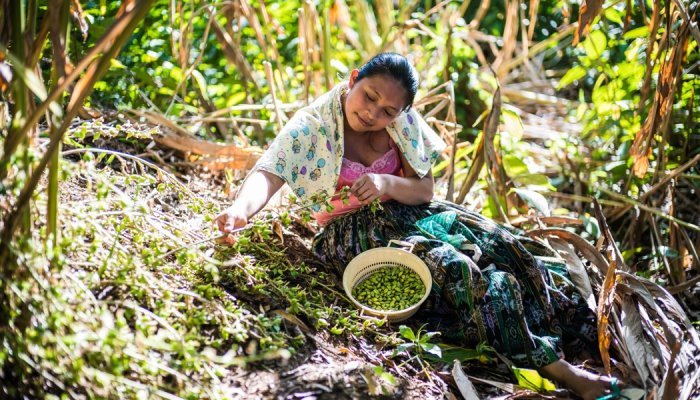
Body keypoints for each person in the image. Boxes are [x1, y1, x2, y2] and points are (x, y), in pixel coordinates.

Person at [216, 52, 620, 400]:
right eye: (368, 96)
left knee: (505, 246)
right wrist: (240, 210)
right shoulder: (312, 125)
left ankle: (586, 335)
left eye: (388, 110)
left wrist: (385, 183)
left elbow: (424, 190)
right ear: (353, 79)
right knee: (456, 267)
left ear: (401, 112)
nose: (373, 112)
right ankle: (559, 371)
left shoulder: (400, 124)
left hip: (412, 211)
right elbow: (270, 172)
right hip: (354, 232)